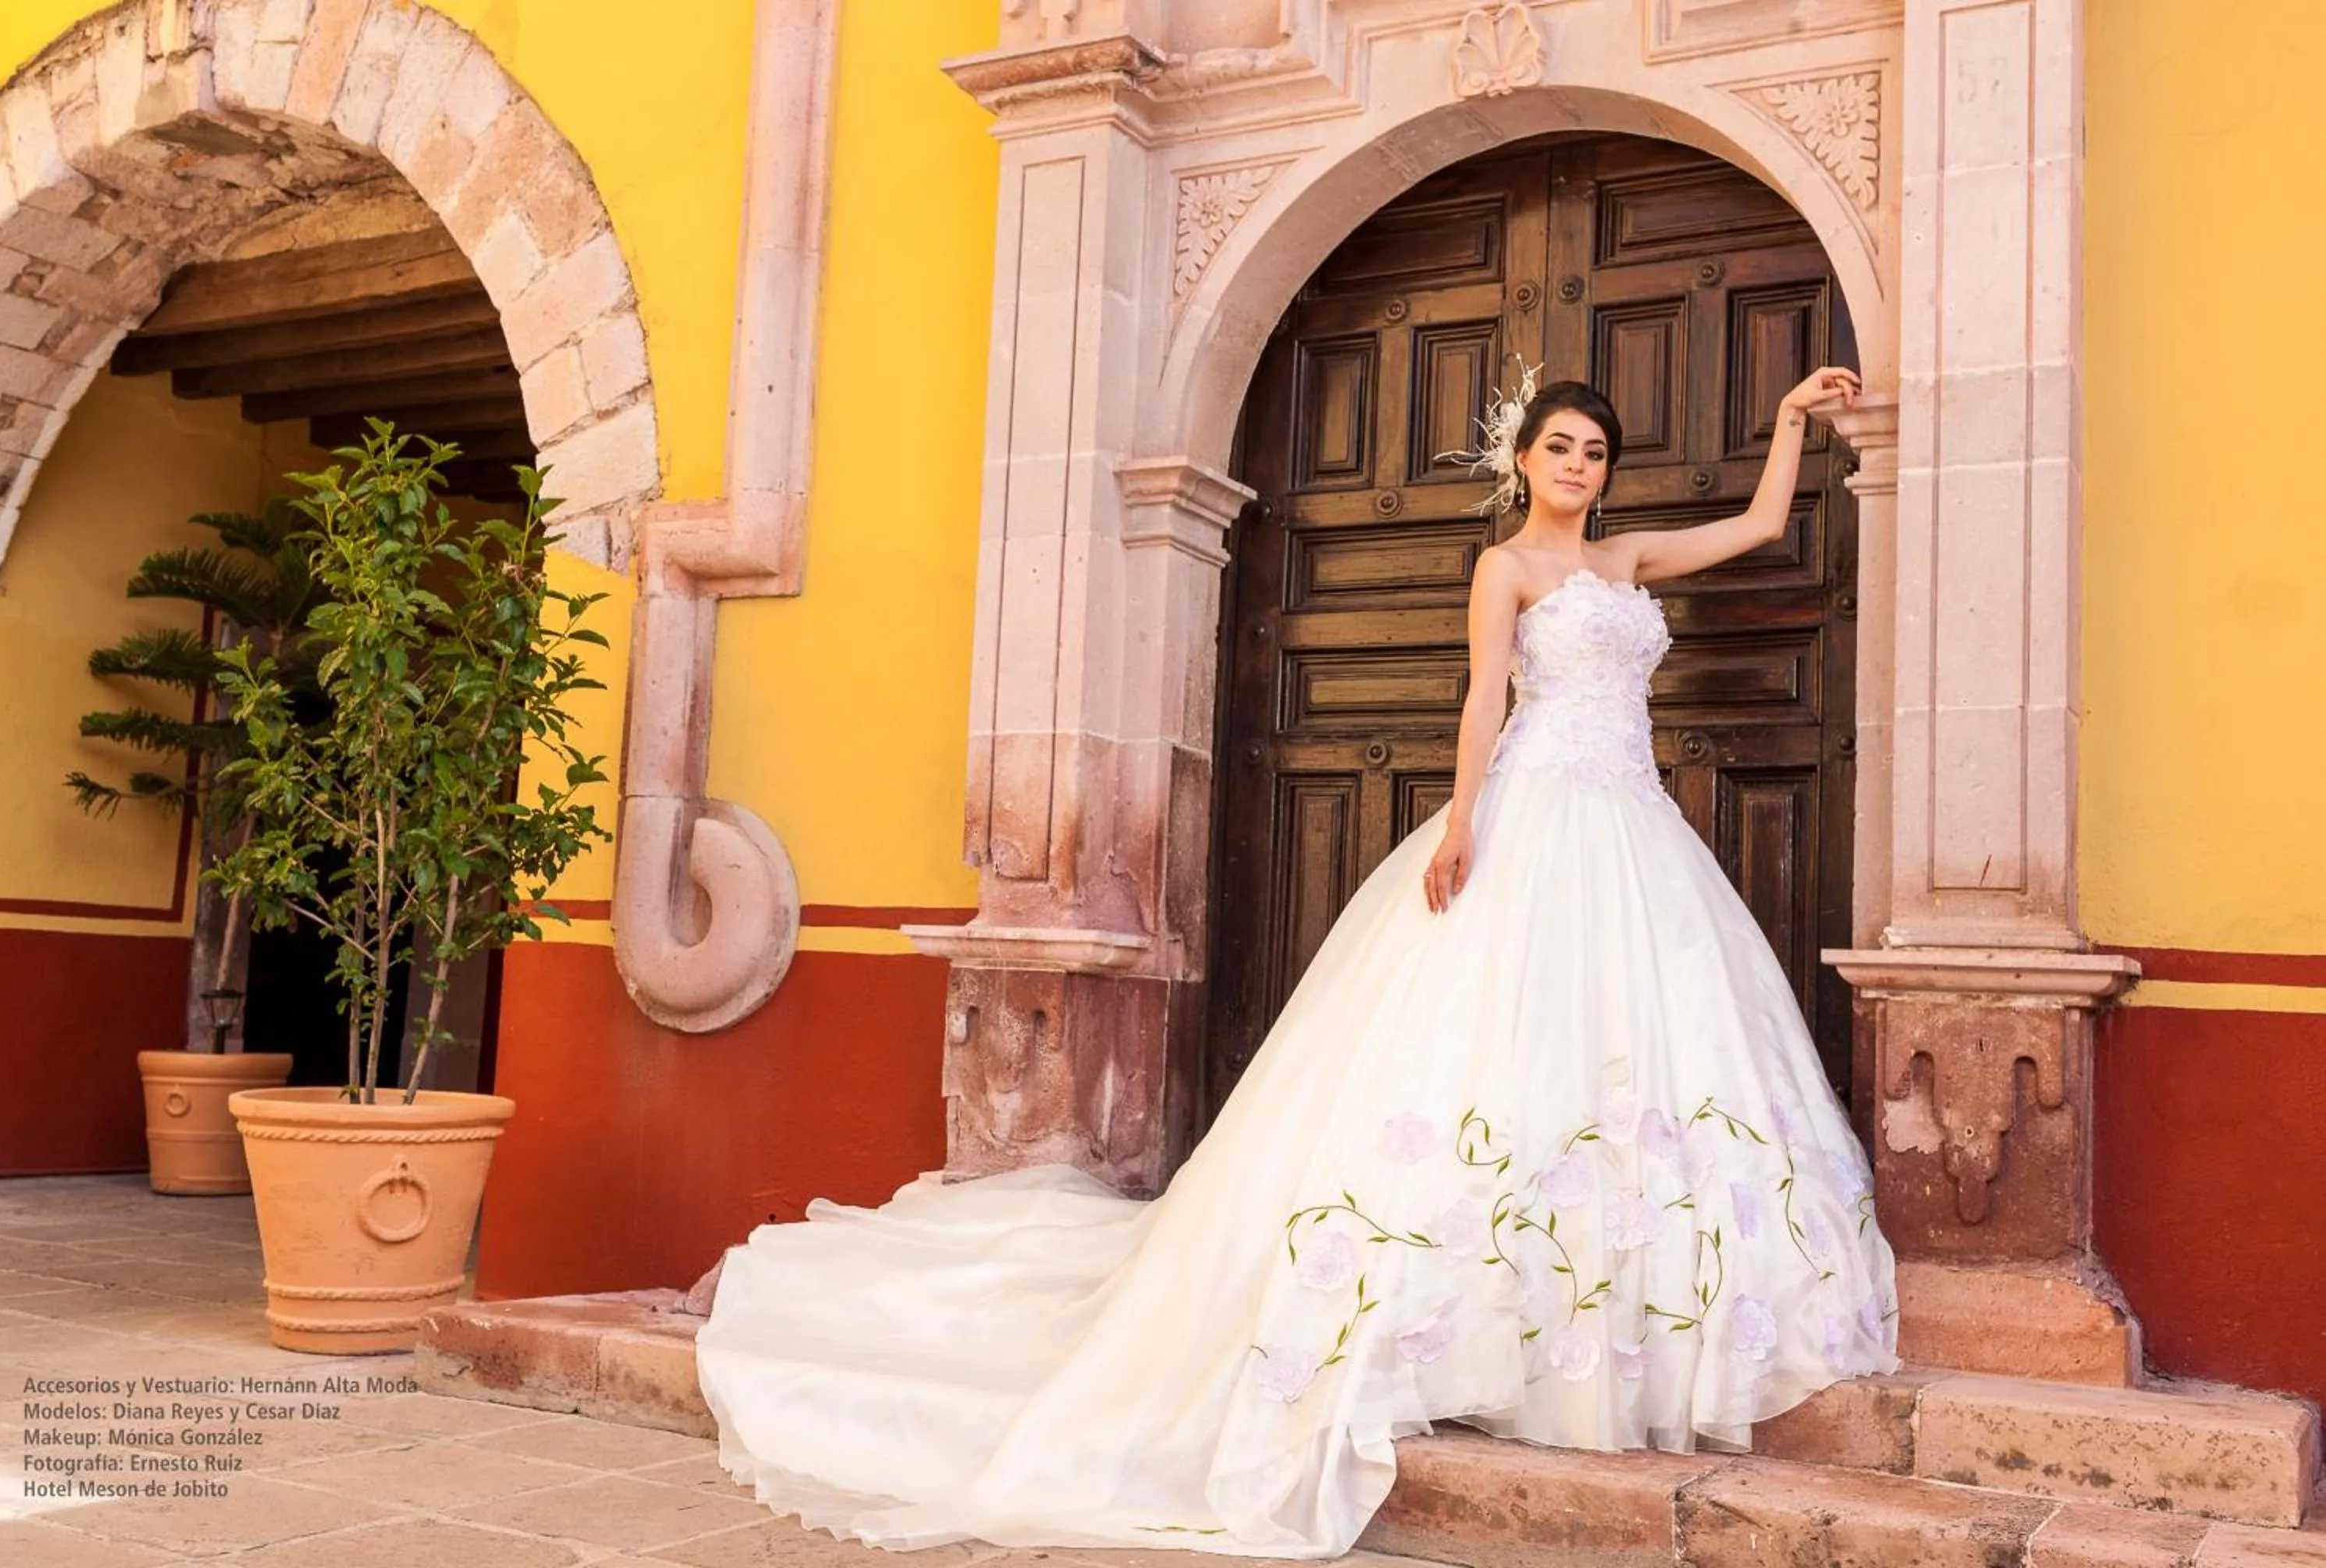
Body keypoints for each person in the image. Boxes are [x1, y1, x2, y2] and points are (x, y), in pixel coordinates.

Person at [696, 365, 1899, 1559]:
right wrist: (1465, 821)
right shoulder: (1507, 569)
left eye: (1594, 452)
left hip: (1631, 825)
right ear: (1524, 460)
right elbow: (1484, 700)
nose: (1578, 467)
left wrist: (1791, 418)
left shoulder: (1625, 560)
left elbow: (1757, 525)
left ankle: (1593, 1310)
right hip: (1535, 807)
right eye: (1561, 448)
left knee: (1623, 1046)